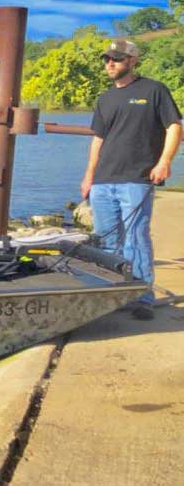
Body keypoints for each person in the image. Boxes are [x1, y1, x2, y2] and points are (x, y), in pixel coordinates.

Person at [81, 39, 182, 320]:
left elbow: (174, 126)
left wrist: (164, 162)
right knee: (106, 241)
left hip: (136, 179)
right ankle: (111, 295)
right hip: (103, 181)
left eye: (116, 59)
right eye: (107, 59)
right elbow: (98, 140)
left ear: (133, 60)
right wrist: (89, 176)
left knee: (136, 239)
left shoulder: (154, 90)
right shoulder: (105, 99)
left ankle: (142, 298)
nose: (109, 64)